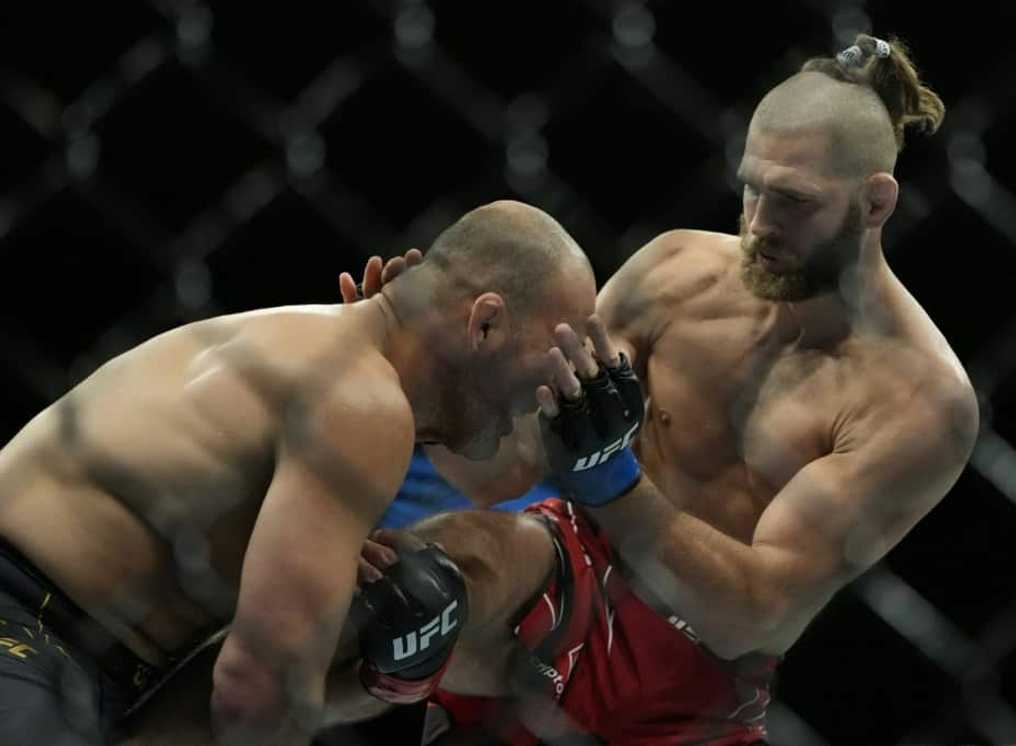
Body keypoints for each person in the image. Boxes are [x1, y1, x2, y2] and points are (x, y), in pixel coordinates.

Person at [343, 33, 979, 745]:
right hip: (571, 564)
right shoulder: (675, 272)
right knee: (421, 577)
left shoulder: (921, 400)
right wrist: (419, 375)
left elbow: (757, 612)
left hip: (696, 674)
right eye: (751, 187)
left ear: (874, 203)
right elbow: (519, 454)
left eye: (793, 201)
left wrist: (612, 479)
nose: (759, 225)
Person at [0, 200, 597, 745]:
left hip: (74, 657)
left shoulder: (336, 365)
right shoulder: (361, 401)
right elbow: (253, 693)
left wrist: (366, 687)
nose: (557, 387)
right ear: (485, 323)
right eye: (557, 348)